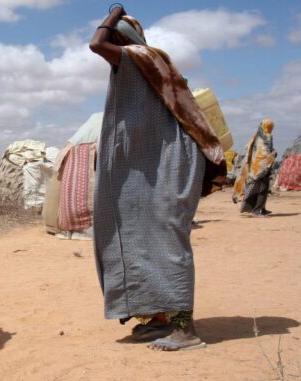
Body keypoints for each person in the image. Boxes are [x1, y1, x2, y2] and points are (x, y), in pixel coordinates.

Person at [89, 5, 227, 351]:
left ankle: (186, 330)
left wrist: (112, 13)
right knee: (141, 236)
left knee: (168, 243)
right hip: (157, 165)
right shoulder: (143, 69)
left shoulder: (139, 58)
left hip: (172, 165)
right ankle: (160, 319)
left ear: (123, 37)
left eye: (114, 34)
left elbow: (95, 44)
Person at [233, 119, 276, 217]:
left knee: (263, 189)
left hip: (258, 167)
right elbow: (264, 152)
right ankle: (256, 211)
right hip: (260, 168)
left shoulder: (257, 136)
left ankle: (262, 209)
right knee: (261, 189)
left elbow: (249, 148)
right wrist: (273, 154)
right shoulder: (266, 137)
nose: (271, 128)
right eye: (270, 126)